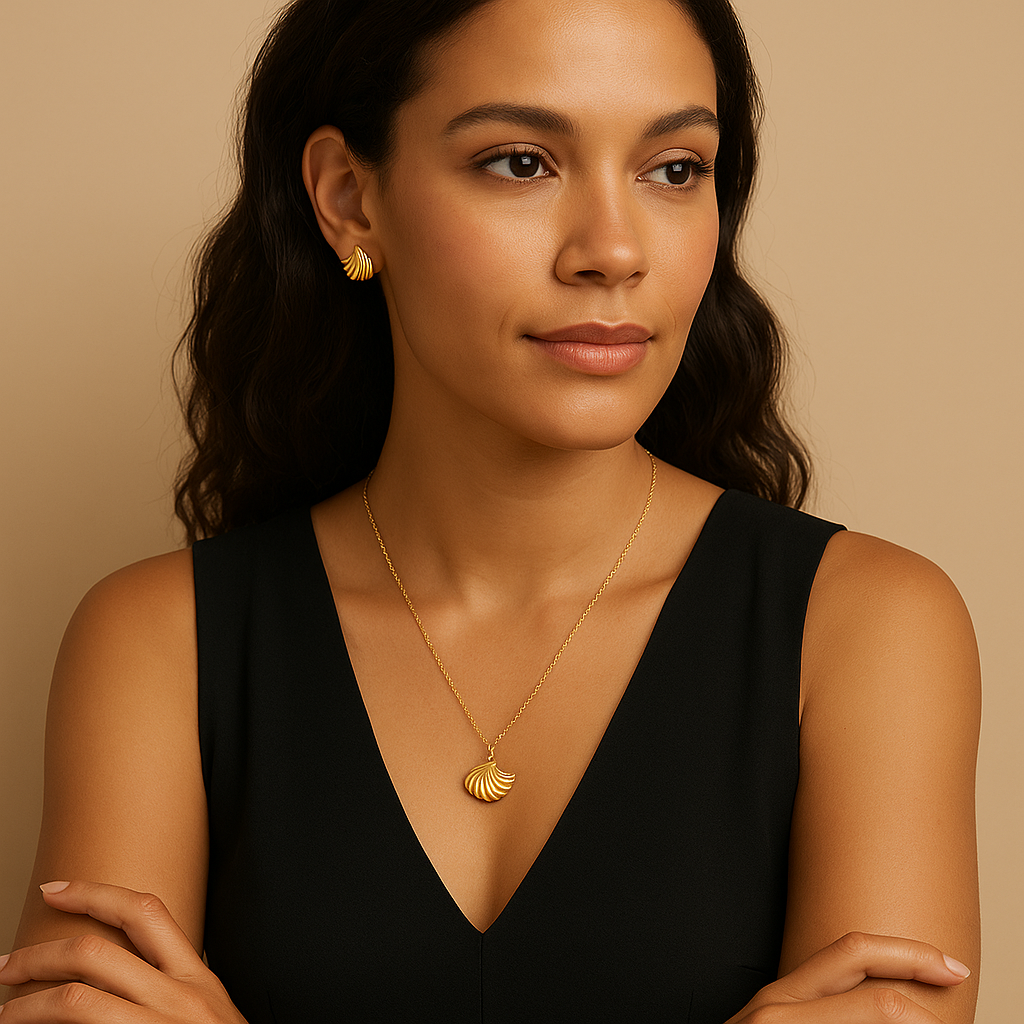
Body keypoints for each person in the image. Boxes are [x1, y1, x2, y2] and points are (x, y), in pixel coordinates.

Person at [0, 0, 981, 1021]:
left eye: (674, 169)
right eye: (521, 163)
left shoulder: (867, 626)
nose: (613, 250)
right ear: (349, 199)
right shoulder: (158, 639)